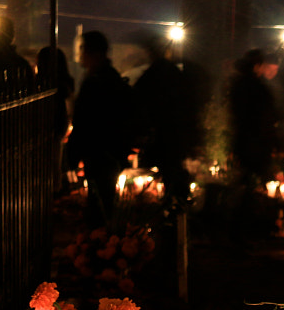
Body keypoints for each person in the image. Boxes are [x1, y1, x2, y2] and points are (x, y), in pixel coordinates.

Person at [68, 31, 136, 227]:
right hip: (111, 153)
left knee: (99, 206)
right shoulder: (112, 79)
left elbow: (83, 121)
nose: (80, 54)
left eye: (83, 49)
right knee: (103, 203)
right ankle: (103, 245)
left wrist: (73, 154)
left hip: (99, 152)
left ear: (94, 53)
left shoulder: (96, 82)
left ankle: (100, 247)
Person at [133, 33, 193, 206]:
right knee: (173, 173)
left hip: (164, 136)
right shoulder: (174, 74)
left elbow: (139, 100)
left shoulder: (155, 74)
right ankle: (177, 211)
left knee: (171, 174)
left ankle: (173, 211)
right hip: (175, 136)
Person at [228, 49, 280, 186]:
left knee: (245, 176)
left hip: (243, 139)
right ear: (256, 66)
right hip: (256, 142)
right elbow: (264, 117)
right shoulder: (256, 88)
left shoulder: (238, 84)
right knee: (253, 180)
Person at [35, 46, 75, 194]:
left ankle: (50, 192)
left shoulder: (42, 85)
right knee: (55, 160)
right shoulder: (65, 84)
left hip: (48, 125)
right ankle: (55, 189)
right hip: (60, 124)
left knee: (46, 162)